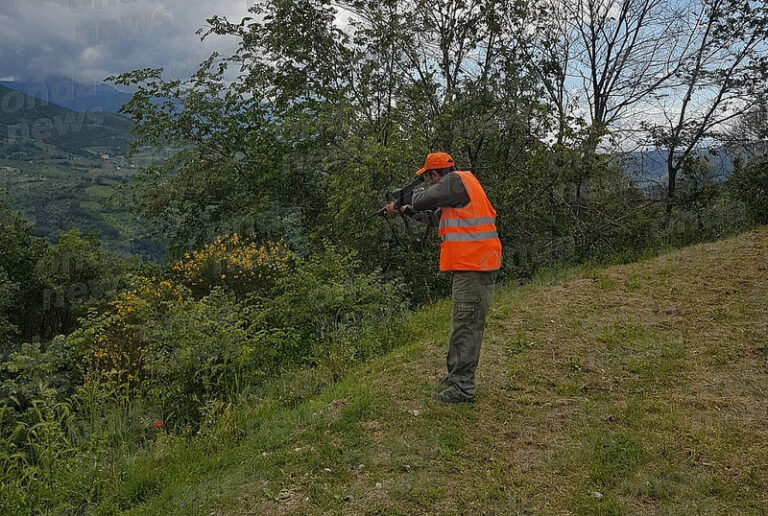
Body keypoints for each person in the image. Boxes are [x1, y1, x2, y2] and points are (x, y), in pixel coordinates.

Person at [386, 152, 502, 403]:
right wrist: (405, 210)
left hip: (474, 266)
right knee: (462, 324)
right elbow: (432, 217)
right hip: (471, 266)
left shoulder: (457, 181)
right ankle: (456, 378)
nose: (429, 182)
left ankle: (462, 388)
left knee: (466, 326)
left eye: (428, 177)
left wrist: (403, 199)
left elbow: (424, 198)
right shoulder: (458, 193)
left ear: (435, 174)